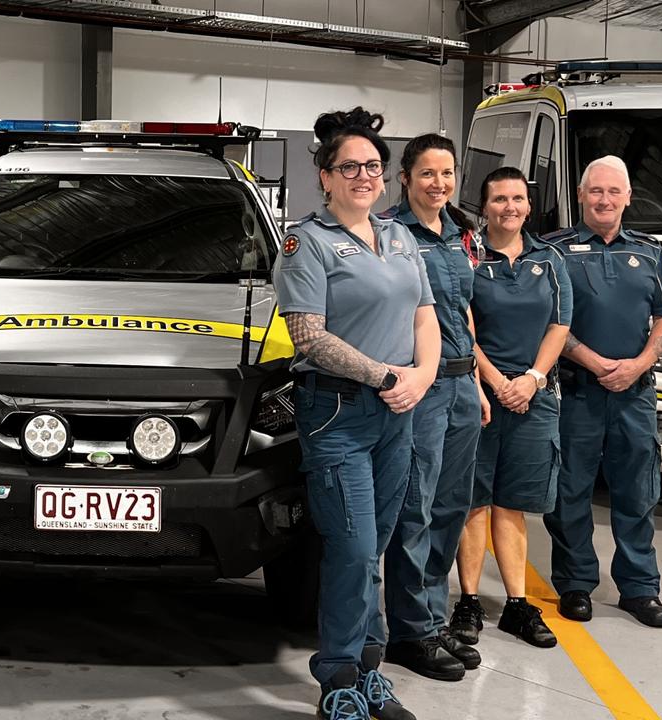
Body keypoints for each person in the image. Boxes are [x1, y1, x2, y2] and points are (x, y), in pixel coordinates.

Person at [273, 108, 440, 720]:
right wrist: (386, 375)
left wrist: (420, 376)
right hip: (338, 414)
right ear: (326, 175)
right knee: (352, 546)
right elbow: (308, 337)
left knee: (377, 546)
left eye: (373, 166)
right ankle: (338, 680)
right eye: (350, 167)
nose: (364, 176)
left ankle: (370, 672)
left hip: (400, 411)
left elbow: (426, 315)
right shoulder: (306, 242)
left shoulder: (399, 237)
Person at [542, 155, 662, 629]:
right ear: (580, 195)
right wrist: (594, 362)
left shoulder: (650, 252)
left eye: (613, 192)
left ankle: (640, 588)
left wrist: (640, 363)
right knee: (570, 491)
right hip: (577, 392)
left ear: (628, 198)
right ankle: (576, 584)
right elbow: (550, 318)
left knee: (638, 491)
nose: (604, 199)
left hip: (634, 393)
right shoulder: (553, 250)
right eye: (596, 191)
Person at [450, 167, 571, 650]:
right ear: (485, 206)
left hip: (532, 397)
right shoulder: (469, 257)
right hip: (478, 396)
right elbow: (463, 326)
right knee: (475, 501)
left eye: (518, 198)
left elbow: (560, 327)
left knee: (513, 503)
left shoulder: (551, 259)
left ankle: (518, 605)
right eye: (499, 198)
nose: (510, 207)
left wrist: (532, 380)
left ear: (528, 204)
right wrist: (499, 381)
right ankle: (469, 601)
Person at [379, 134, 484, 681]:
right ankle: (409, 631)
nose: (438, 184)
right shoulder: (390, 235)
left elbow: (463, 314)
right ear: (405, 178)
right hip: (421, 389)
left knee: (450, 506)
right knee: (414, 509)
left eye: (447, 173)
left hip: (463, 387)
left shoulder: (462, 236)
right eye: (427, 174)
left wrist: (481, 388)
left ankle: (434, 619)